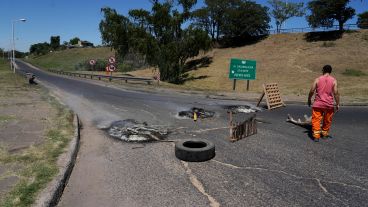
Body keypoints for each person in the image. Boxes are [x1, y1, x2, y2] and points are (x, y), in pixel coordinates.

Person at [308, 65, 340, 142]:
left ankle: (316, 136)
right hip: (329, 104)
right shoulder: (334, 80)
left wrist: (309, 99)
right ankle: (324, 134)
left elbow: (312, 90)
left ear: (323, 70)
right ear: (330, 71)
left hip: (318, 104)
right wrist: (337, 103)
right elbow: (335, 93)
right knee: (327, 120)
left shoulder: (317, 79)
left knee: (316, 120)